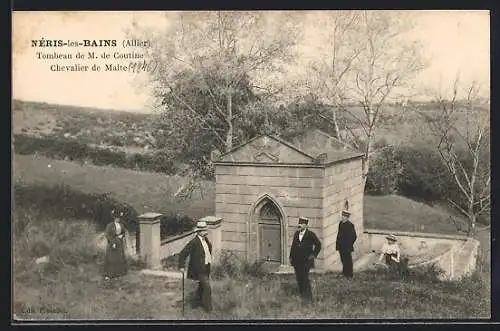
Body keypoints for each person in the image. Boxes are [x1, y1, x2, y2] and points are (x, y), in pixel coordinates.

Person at [178, 220, 213, 312]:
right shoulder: (194, 242)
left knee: (202, 286)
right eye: (205, 230)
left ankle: (196, 303)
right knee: (207, 287)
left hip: (206, 267)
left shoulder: (206, 240)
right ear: (199, 232)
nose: (206, 232)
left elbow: (208, 251)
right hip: (199, 269)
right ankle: (208, 309)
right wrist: (181, 266)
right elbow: (183, 253)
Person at [289, 217, 322, 303]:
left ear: (306, 225)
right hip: (297, 261)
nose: (300, 225)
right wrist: (291, 257)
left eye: (302, 223)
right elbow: (293, 246)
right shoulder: (296, 234)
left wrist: (313, 255)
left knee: (305, 278)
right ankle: (302, 295)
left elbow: (318, 244)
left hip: (306, 261)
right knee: (299, 278)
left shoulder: (310, 234)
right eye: (299, 223)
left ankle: (308, 298)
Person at [104, 209, 128, 280]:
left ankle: (117, 274)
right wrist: (112, 243)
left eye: (119, 218)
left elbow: (124, 232)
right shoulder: (110, 225)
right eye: (116, 218)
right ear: (114, 218)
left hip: (119, 243)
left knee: (119, 258)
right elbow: (107, 235)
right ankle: (109, 275)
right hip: (112, 243)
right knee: (111, 259)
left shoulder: (121, 225)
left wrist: (122, 236)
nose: (118, 219)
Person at [336, 210, 357, 278]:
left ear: (347, 217)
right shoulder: (340, 224)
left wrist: (349, 244)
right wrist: (338, 244)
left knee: (348, 260)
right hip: (341, 246)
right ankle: (344, 273)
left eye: (344, 216)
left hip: (347, 247)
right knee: (343, 260)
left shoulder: (350, 225)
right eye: (342, 216)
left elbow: (354, 236)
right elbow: (339, 234)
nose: (343, 217)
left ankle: (349, 274)